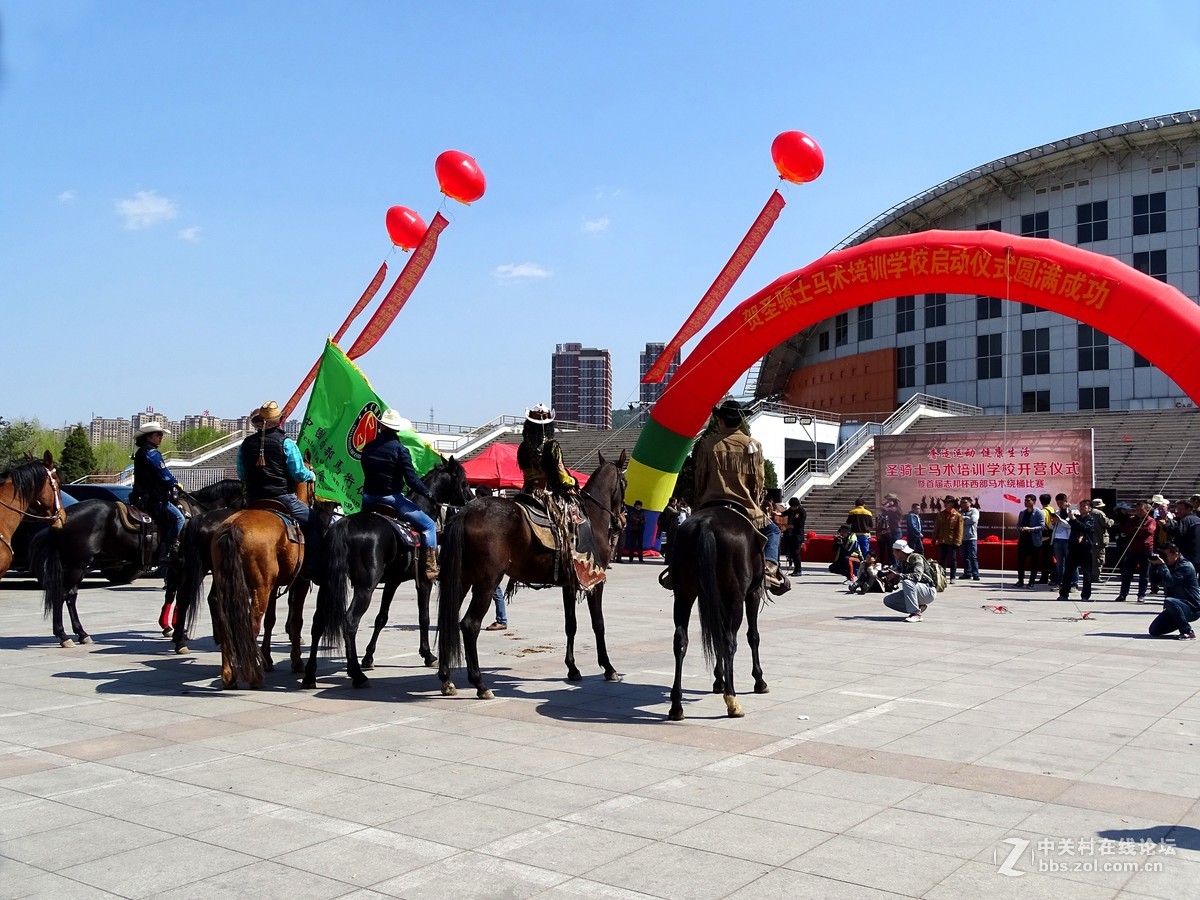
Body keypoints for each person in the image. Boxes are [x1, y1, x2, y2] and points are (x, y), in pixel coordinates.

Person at [693, 399, 789, 594]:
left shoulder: (707, 444)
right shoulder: (753, 445)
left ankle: (675, 571)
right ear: (740, 422)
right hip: (745, 508)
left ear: (720, 421)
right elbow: (758, 482)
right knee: (773, 532)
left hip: (710, 505)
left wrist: (698, 504)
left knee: (685, 533)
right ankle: (770, 567)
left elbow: (700, 478)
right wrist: (754, 500)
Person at [517, 403, 604, 589]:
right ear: (549, 425)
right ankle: (576, 566)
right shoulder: (552, 446)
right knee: (578, 520)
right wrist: (573, 483)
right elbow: (561, 474)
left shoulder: (523, 448)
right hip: (546, 494)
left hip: (526, 492)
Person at [360, 408, 439, 582]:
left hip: (367, 499)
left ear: (381, 426)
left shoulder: (368, 447)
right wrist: (427, 493)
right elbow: (411, 480)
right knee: (429, 526)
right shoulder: (400, 450)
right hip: (391, 499)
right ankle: (431, 567)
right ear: (397, 429)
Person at [237, 400, 320, 564]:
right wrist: (310, 475)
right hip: (282, 498)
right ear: (279, 421)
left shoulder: (246, 444)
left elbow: (241, 474)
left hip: (254, 500)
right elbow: (298, 474)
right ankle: (313, 564)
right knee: (315, 521)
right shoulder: (286, 443)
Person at [130, 422, 185, 572]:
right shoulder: (152, 453)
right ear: (148, 437)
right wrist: (176, 483)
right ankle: (166, 552)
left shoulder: (142, 451)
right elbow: (164, 475)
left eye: (161, 435)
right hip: (153, 499)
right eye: (157, 434)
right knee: (179, 518)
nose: (161, 437)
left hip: (140, 497)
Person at [1147, 542, 1200, 640]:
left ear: (1175, 554)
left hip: (1192, 608)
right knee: (1154, 630)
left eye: (1165, 555)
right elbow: (1155, 581)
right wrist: (1153, 565)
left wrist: (1162, 565)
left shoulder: (1186, 566)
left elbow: (1169, 582)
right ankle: (1179, 621)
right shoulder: (1169, 565)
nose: (1163, 558)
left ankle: (1187, 631)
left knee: (1170, 601)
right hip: (1174, 607)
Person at [882, 539, 936, 622]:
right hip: (916, 591)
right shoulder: (901, 562)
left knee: (907, 582)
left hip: (928, 590)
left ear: (899, 551)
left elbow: (917, 576)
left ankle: (916, 614)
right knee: (888, 600)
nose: (893, 554)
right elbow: (898, 576)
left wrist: (898, 575)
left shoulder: (916, 558)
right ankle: (919, 607)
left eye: (894, 551)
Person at [1115, 499, 1156, 603]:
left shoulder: (1151, 520)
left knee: (1144, 574)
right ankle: (1123, 594)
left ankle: (1141, 594)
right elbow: (1127, 530)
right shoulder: (1132, 519)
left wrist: (1137, 529)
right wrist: (1137, 529)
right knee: (1127, 573)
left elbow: (1148, 531)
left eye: (1140, 510)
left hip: (1145, 549)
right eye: (1136, 510)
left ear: (1146, 510)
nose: (1138, 512)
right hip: (1132, 549)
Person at [1057, 499, 1096, 602]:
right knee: (1068, 572)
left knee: (1086, 573)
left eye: (1085, 506)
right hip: (1074, 548)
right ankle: (1064, 594)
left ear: (1089, 508)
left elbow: (1084, 528)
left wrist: (1074, 519)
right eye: (1081, 506)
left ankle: (1085, 595)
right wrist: (1068, 508)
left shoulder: (1091, 519)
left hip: (1085, 549)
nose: (1082, 508)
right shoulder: (1077, 517)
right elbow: (1067, 518)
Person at [1015, 494, 1045, 587]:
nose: (1026, 502)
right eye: (1025, 500)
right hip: (1023, 540)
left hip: (1034, 541)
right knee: (1020, 562)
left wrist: (1030, 529)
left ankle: (1031, 581)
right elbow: (1018, 524)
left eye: (1028, 500)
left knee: (1034, 562)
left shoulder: (1039, 513)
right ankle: (1020, 580)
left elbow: (1042, 526)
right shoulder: (1022, 513)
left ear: (1034, 502)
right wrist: (1020, 528)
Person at [1048, 493, 1076, 591]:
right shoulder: (1057, 512)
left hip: (1068, 540)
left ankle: (1073, 584)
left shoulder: (1073, 511)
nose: (1060, 505)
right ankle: (1060, 584)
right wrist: (1053, 522)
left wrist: (1060, 521)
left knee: (1071, 562)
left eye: (1061, 502)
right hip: (1057, 539)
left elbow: (1071, 525)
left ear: (1066, 501)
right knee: (1059, 563)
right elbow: (1052, 527)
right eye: (1058, 503)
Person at [932, 495, 963, 582]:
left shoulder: (957, 515)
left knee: (953, 560)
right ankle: (943, 576)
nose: (945, 504)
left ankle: (952, 577)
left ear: (952, 503)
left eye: (948, 502)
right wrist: (934, 539)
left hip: (952, 541)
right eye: (945, 502)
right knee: (941, 560)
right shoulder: (940, 514)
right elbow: (936, 528)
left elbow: (959, 530)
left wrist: (957, 541)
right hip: (942, 540)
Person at [1089, 499, 1114, 582]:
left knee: (1091, 558)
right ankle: (1095, 576)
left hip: (1090, 539)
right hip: (1099, 540)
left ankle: (1090, 574)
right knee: (1099, 558)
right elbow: (1107, 523)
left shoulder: (1089, 512)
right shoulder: (1099, 514)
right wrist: (1112, 521)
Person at [959, 496, 980, 581]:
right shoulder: (959, 512)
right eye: (962, 502)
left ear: (970, 503)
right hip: (962, 538)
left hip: (972, 537)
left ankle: (975, 574)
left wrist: (963, 519)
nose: (963, 504)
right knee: (964, 556)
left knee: (973, 556)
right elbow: (956, 521)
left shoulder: (974, 511)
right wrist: (964, 519)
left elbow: (973, 520)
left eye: (965, 502)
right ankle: (967, 573)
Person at [785, 497, 807, 576]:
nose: (792, 508)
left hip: (798, 535)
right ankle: (795, 569)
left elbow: (800, 524)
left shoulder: (802, 511)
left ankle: (798, 570)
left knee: (796, 553)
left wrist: (790, 526)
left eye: (793, 506)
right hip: (790, 535)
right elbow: (785, 513)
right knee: (791, 553)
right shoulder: (791, 510)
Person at [658, 497, 681, 563]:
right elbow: (676, 513)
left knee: (673, 543)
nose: (676, 504)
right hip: (671, 528)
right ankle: (667, 559)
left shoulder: (672, 508)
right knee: (671, 544)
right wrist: (679, 509)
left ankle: (668, 556)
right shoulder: (669, 508)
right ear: (673, 502)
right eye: (676, 502)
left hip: (674, 527)